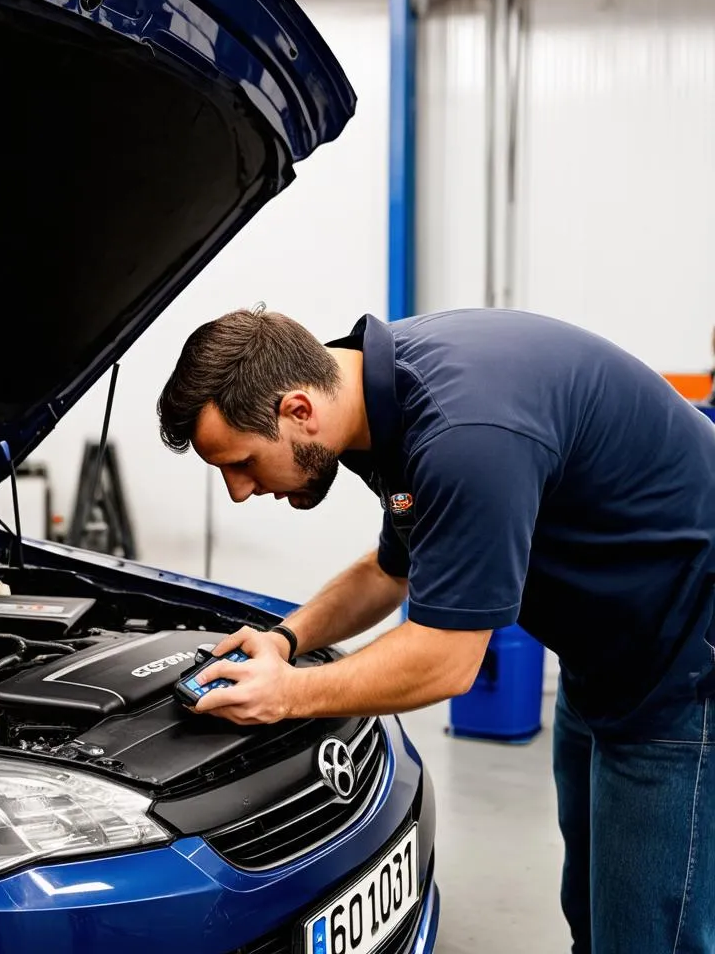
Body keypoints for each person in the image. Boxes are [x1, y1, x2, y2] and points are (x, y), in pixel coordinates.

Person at [156, 305, 715, 954]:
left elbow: (447, 659)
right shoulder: (378, 402)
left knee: (650, 935)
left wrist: (286, 693)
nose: (238, 491)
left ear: (298, 411)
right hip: (605, 646)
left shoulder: (462, 431)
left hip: (683, 661)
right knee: (594, 911)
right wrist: (285, 641)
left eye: (243, 463)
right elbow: (392, 569)